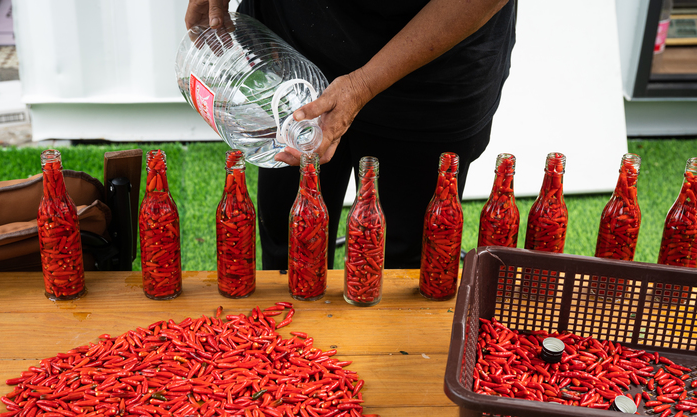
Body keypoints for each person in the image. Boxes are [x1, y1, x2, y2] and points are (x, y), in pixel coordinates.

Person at [186, 0, 516, 269]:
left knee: (404, 265)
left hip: (430, 70)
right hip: (289, 53)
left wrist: (362, 85)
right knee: (292, 247)